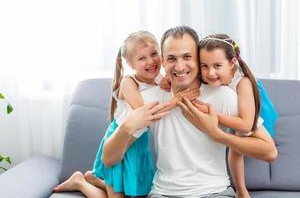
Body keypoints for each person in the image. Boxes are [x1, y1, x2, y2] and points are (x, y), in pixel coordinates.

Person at [102, 26, 277, 198]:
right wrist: (126, 127)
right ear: (162, 61)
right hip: (163, 193)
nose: (179, 67)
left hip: (216, 192)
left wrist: (217, 134)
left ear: (198, 59)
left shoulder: (223, 96)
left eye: (187, 57)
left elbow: (269, 152)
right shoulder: (148, 101)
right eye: (171, 58)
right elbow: (108, 159)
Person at [53, 30, 198, 198]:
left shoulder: (159, 79)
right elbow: (143, 113)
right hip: (121, 140)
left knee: (135, 192)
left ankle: (94, 179)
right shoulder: (128, 82)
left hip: (139, 141)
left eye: (153, 54)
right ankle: (79, 181)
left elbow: (165, 85)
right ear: (131, 64)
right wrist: (176, 100)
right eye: (142, 58)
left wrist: (166, 80)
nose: (150, 61)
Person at [196, 34, 278, 198]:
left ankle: (241, 190)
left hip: (254, 110)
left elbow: (246, 125)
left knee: (237, 146)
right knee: (235, 143)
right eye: (204, 66)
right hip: (235, 110)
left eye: (217, 66)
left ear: (232, 62)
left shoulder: (244, 82)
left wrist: (211, 113)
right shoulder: (206, 75)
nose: (210, 72)